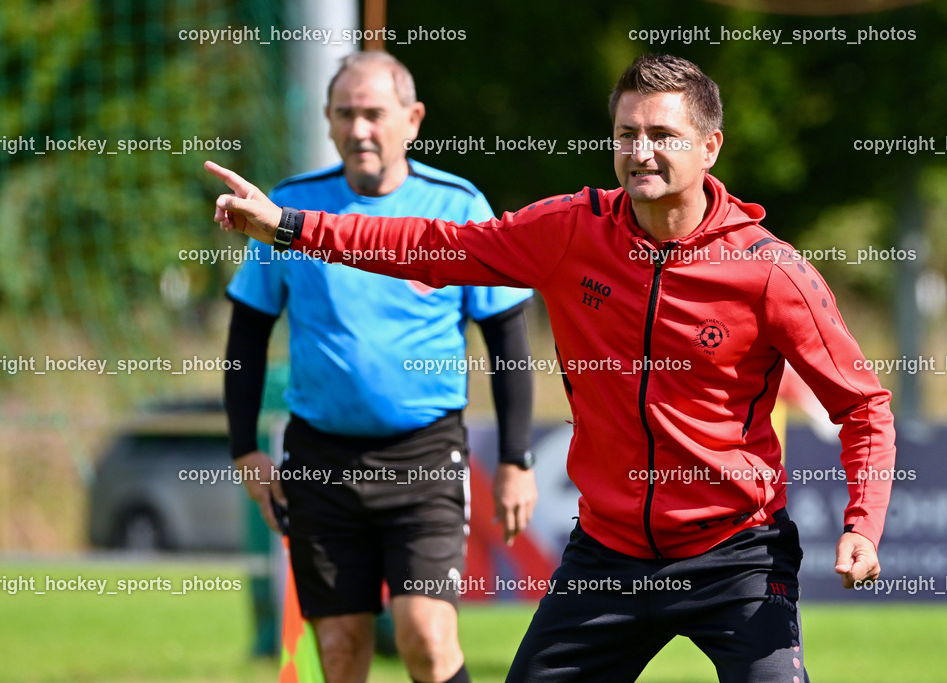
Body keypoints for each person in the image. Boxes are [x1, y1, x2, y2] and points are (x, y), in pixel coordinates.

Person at [208, 53, 896, 682]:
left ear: (710, 146)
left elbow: (864, 406)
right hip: (608, 554)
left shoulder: (771, 271)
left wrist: (863, 527)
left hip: (736, 555)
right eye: (627, 134)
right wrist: (290, 226)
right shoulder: (570, 231)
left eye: (663, 135)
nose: (641, 152)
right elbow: (431, 246)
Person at [221, 50, 536, 683]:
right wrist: (244, 450)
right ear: (328, 120)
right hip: (319, 457)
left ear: (412, 120)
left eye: (374, 114)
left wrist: (515, 459)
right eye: (345, 114)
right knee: (340, 653)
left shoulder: (456, 206)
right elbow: (248, 329)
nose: (359, 129)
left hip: (425, 455)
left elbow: (506, 333)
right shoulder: (287, 209)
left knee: (427, 638)